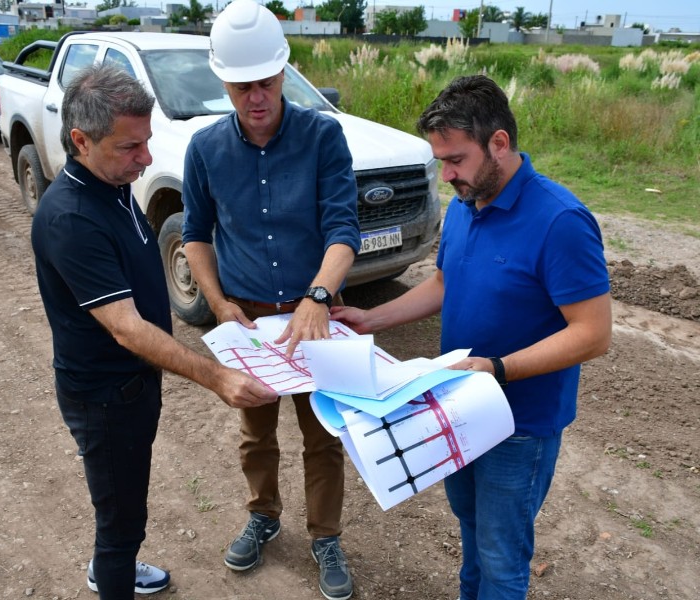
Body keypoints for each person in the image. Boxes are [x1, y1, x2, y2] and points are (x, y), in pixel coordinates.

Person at [331, 74, 612, 600]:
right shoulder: (466, 204)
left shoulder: (561, 221)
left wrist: (497, 368)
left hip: (519, 423)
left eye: (455, 159)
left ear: (499, 144)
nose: (446, 175)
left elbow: (593, 335)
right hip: (457, 406)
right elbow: (444, 280)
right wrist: (372, 320)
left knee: (503, 559)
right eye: (440, 161)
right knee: (471, 534)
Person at [31, 64, 276, 600]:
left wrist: (219, 303)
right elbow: (126, 330)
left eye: (146, 143)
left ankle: (114, 563)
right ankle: (113, 572)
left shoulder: (111, 185)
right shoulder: (72, 217)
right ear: (81, 140)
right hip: (104, 396)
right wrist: (218, 378)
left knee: (124, 504)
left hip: (131, 387)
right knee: (121, 519)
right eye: (130, 147)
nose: (145, 159)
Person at [181, 1, 361, 598]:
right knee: (255, 432)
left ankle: (325, 535)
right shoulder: (205, 149)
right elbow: (196, 235)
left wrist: (317, 295)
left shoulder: (322, 136)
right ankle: (263, 514)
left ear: (283, 73)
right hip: (249, 318)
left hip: (315, 316)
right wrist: (217, 302)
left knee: (322, 434)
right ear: (223, 81)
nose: (254, 96)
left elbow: (343, 230)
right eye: (240, 85)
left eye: (264, 81)